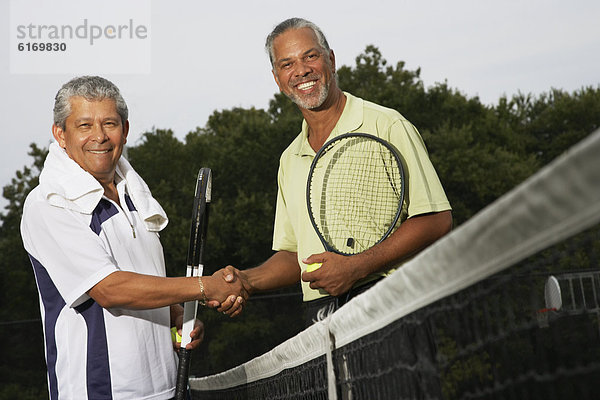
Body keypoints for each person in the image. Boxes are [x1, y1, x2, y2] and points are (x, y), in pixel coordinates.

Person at [20, 76, 247, 400]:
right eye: (84, 125)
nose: (99, 136)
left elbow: (143, 282)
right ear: (61, 134)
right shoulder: (47, 204)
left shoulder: (136, 196)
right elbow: (110, 289)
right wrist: (205, 286)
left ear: (124, 130)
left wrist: (176, 317)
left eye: (109, 123)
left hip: (166, 388)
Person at [219, 18, 452, 325]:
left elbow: (437, 219)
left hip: (393, 302)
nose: (301, 70)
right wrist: (246, 280)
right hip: (321, 317)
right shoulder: (289, 159)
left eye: (310, 56)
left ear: (331, 59)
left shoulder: (388, 125)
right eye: (287, 64)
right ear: (277, 78)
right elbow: (294, 256)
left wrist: (356, 267)